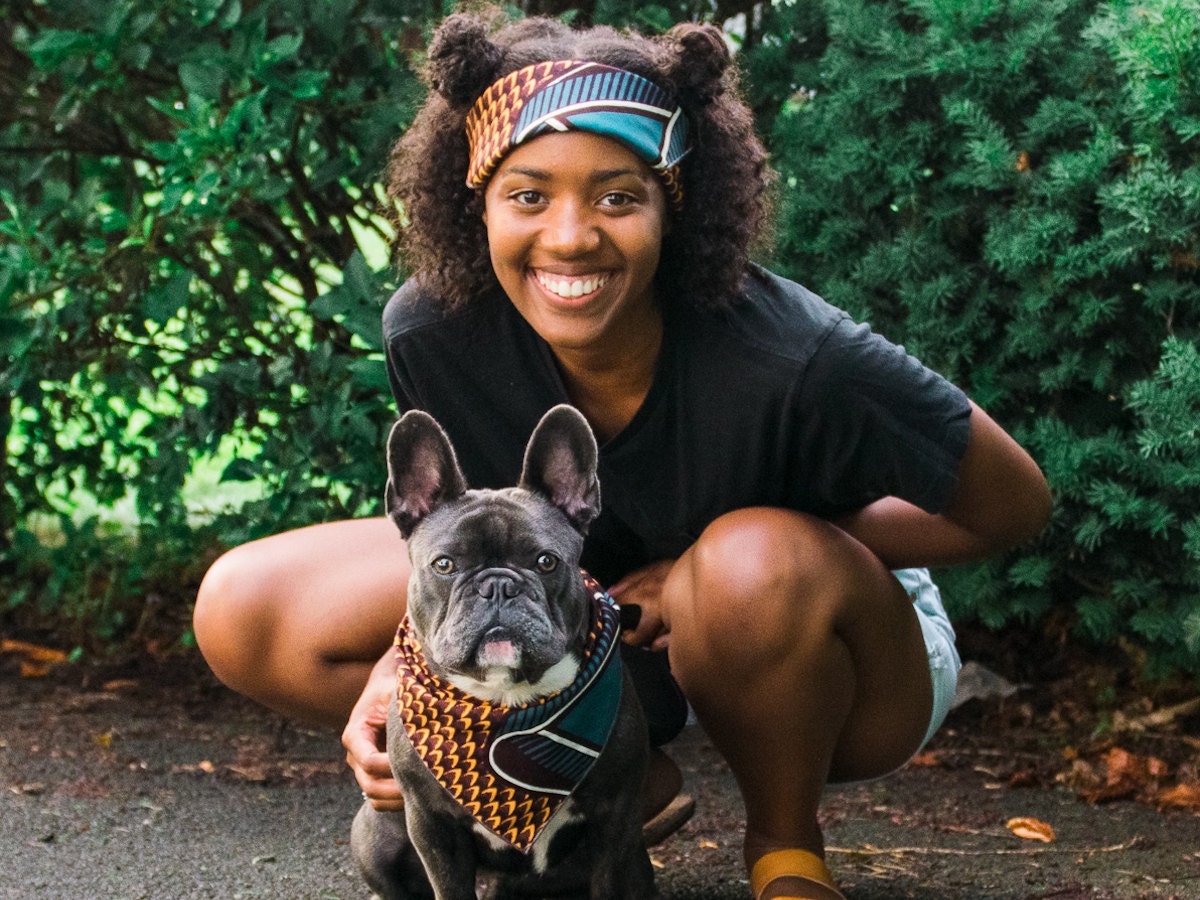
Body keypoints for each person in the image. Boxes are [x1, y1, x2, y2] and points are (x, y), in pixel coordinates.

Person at [193, 10, 1053, 899]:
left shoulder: (796, 355)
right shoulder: (436, 329)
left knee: (748, 561)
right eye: (528, 195)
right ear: (473, 203)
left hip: (839, 654)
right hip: (592, 615)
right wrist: (399, 674)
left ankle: (786, 846)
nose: (569, 237)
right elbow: (461, 542)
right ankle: (592, 778)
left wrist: (698, 567)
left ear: (673, 206)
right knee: (243, 606)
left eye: (616, 196)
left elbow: (1014, 503)